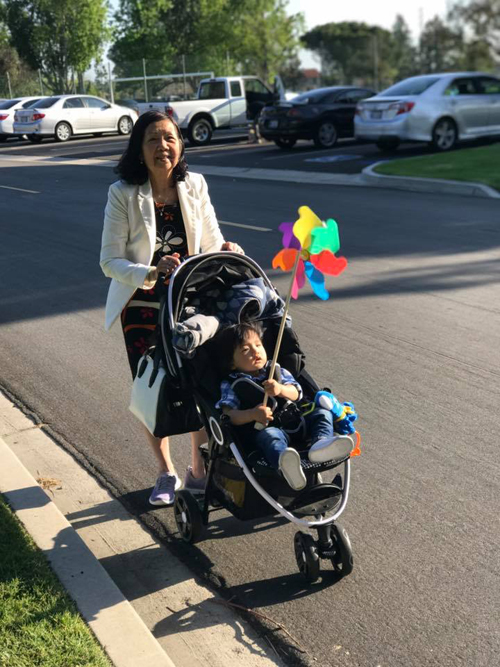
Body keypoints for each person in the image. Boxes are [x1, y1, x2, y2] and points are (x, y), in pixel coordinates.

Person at [100, 110, 244, 506]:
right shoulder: (122, 194)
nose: (162, 146)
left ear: (180, 144)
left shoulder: (195, 185)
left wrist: (226, 249)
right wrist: (151, 271)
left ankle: (198, 471)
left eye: (169, 138)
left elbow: (211, 242)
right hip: (143, 305)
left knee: (200, 384)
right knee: (153, 390)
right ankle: (165, 472)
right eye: (152, 139)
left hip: (190, 303)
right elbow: (109, 261)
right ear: (139, 149)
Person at [216, 323, 351, 491]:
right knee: (270, 437)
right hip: (269, 428)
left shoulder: (277, 370)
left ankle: (321, 444)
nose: (255, 352)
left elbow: (297, 393)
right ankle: (286, 463)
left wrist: (281, 389)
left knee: (322, 413)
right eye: (245, 350)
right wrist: (252, 414)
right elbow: (229, 415)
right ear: (232, 363)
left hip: (298, 420)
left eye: (258, 345)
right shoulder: (232, 384)